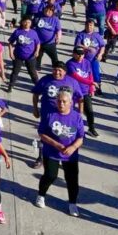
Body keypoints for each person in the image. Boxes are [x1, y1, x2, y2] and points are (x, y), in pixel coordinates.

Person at [35, 88, 86, 217]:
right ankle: (41, 195)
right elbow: (41, 133)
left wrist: (73, 147)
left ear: (70, 103)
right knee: (50, 175)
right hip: (51, 152)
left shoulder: (76, 117)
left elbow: (81, 137)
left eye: (64, 101)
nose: (61, 104)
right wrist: (56, 144)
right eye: (59, 101)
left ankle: (72, 203)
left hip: (70, 155)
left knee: (72, 179)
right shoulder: (49, 114)